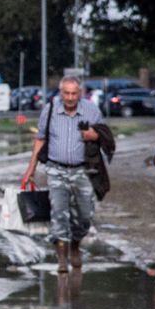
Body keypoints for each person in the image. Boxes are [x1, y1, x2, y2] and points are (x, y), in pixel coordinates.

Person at [21, 76, 104, 273]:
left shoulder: (91, 110)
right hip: (56, 170)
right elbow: (40, 139)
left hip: (83, 171)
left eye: (73, 93)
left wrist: (95, 135)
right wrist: (30, 168)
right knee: (58, 213)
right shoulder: (50, 110)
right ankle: (62, 259)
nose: (69, 98)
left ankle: (75, 243)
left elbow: (104, 134)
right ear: (60, 93)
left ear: (80, 94)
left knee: (85, 216)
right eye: (66, 93)